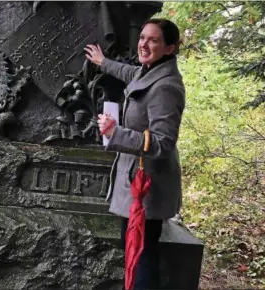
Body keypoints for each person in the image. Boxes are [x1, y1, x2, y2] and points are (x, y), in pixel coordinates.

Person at [84, 19, 185, 289]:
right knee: (134, 248)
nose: (143, 44)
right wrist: (103, 62)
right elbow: (131, 74)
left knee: (141, 254)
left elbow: (164, 143)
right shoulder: (150, 71)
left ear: (170, 48)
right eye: (142, 37)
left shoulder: (166, 87)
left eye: (153, 40)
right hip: (137, 181)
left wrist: (116, 133)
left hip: (148, 187)